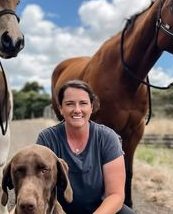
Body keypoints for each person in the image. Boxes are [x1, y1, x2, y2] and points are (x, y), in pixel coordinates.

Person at [36, 80, 135, 214]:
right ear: (60, 108)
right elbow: (38, 188)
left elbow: (115, 195)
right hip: (58, 210)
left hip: (100, 210)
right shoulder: (47, 138)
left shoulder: (107, 138)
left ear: (91, 107)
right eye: (70, 104)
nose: (77, 110)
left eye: (83, 103)